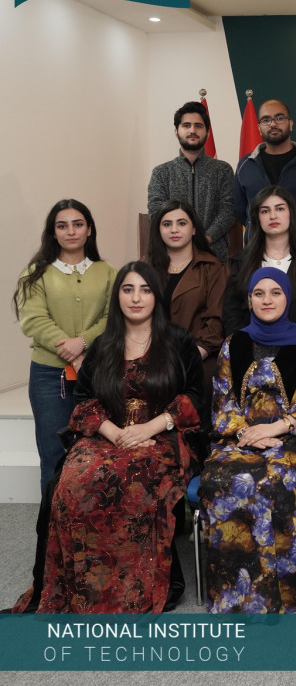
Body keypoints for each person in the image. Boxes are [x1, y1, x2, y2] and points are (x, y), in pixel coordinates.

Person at [12, 262, 203, 613]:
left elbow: (195, 396)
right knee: (73, 480)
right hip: (108, 434)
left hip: (160, 437)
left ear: (157, 297)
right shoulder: (104, 344)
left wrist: (149, 428)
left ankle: (133, 586)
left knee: (132, 476)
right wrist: (114, 433)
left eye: (145, 290)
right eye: (128, 289)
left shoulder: (178, 341)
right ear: (118, 297)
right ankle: (86, 585)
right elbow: (84, 398)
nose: (136, 298)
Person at [200, 268, 296, 613]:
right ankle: (236, 594)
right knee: (220, 478)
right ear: (249, 300)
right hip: (241, 437)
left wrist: (276, 428)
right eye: (259, 293)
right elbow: (222, 400)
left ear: (287, 298)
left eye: (275, 292)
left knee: (272, 479)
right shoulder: (234, 344)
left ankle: (286, 592)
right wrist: (245, 433)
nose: (267, 300)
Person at [14, 199, 117, 490]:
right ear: (53, 232)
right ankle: (52, 517)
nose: (70, 231)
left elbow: (113, 318)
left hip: (98, 373)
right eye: (62, 226)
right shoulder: (35, 272)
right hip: (50, 376)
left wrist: (82, 342)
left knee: (99, 452)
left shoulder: (108, 272)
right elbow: (34, 320)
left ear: (89, 229)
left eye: (78, 224)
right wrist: (73, 353)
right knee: (53, 453)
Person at [145, 199, 227, 412]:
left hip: (199, 355)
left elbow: (215, 321)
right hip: (150, 355)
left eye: (181, 223)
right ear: (158, 230)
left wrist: (191, 357)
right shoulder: (144, 268)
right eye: (167, 224)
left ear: (194, 229)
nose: (174, 230)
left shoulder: (212, 268)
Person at [224, 186, 296, 339]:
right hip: (250, 349)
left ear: (291, 213)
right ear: (257, 218)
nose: (273, 216)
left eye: (280, 209)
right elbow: (231, 313)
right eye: (265, 211)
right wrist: (243, 346)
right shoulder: (242, 262)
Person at [233, 99, 296, 254]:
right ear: (259, 128)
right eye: (266, 120)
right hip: (257, 256)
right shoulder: (245, 165)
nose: (273, 124)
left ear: (291, 124)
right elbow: (240, 210)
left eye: (279, 118)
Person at [147, 101, 237, 262]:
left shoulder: (222, 170)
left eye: (198, 126)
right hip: (170, 256)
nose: (192, 130)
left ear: (207, 132)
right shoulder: (161, 173)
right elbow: (156, 212)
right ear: (176, 131)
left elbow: (228, 211)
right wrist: (182, 241)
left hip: (213, 256)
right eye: (186, 125)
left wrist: (205, 239)